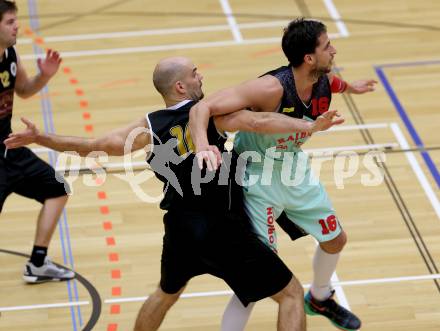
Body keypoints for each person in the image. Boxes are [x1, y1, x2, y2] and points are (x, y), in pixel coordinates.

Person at [4, 56, 342, 330]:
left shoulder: (148, 127)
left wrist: (41, 138)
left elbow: (95, 145)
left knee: (165, 294)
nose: (201, 77)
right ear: (181, 85)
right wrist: (308, 126)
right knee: (292, 295)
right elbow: (258, 123)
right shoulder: (212, 113)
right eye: (195, 74)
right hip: (224, 229)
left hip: (180, 228)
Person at [189, 18, 378, 331]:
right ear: (308, 58)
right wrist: (202, 146)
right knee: (256, 274)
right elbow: (201, 109)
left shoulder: (323, 78)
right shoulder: (270, 88)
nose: (334, 49)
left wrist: (353, 87)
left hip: (293, 168)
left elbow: (334, 84)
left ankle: (319, 298)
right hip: (255, 176)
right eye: (327, 45)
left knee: (335, 239)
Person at [0, 0, 73, 283]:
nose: (17, 26)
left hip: (11, 149)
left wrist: (45, 76)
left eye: (15, 20)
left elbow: (25, 90)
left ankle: (38, 264)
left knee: (57, 188)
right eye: (9, 22)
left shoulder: (10, 55)